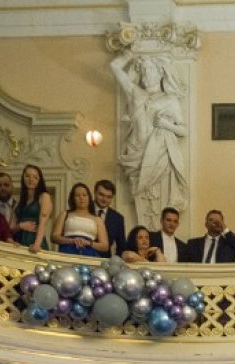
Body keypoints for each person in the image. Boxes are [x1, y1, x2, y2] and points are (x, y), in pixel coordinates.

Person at [111, 50, 190, 230]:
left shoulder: (170, 100)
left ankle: (158, 237)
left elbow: (183, 130)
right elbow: (114, 67)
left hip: (160, 154)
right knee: (141, 205)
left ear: (160, 72)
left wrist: (166, 124)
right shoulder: (134, 92)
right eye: (143, 70)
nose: (145, 75)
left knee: (160, 203)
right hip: (136, 154)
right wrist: (128, 55)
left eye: (149, 70)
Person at [51, 183, 109, 256]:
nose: (81, 198)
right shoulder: (65, 214)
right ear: (73, 199)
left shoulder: (97, 219)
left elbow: (105, 246)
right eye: (77, 195)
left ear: (89, 198)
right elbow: (54, 237)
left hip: (90, 255)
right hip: (67, 252)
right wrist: (72, 240)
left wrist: (89, 243)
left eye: (84, 195)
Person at [13, 164, 52, 255]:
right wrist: (20, 226)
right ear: (23, 178)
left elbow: (43, 222)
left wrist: (37, 244)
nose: (31, 179)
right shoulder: (19, 200)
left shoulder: (44, 196)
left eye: (35, 177)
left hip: (34, 241)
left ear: (39, 180)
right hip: (18, 243)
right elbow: (11, 228)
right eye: (27, 176)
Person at [93, 180, 128, 257]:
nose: (104, 199)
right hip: (82, 256)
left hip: (105, 261)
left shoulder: (118, 218)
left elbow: (121, 247)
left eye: (108, 197)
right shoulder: (84, 210)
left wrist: (115, 261)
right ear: (95, 193)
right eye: (101, 195)